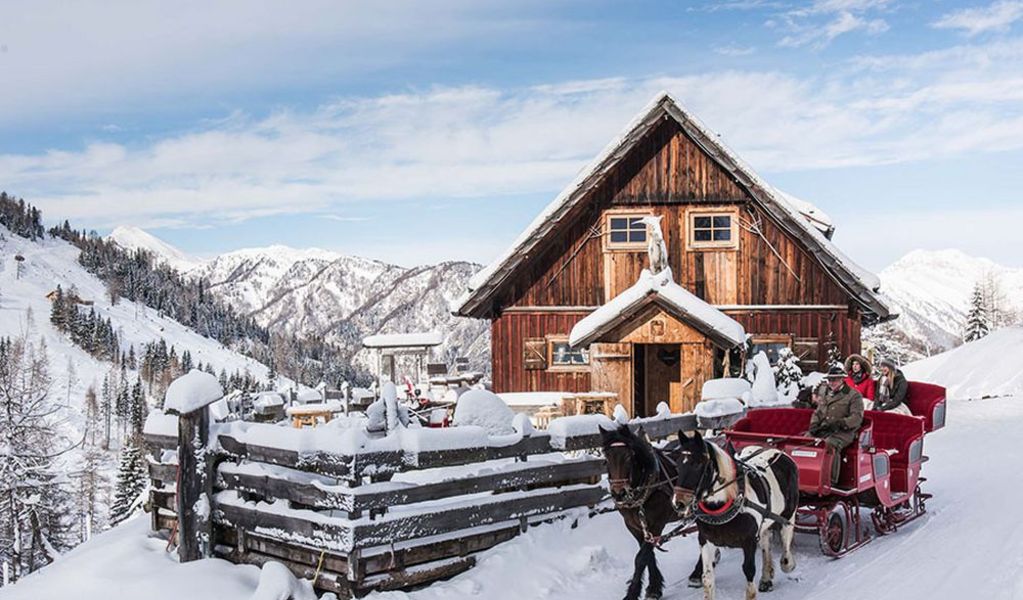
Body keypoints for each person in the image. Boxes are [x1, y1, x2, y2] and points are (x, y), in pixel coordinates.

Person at [808, 366, 864, 485]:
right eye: (830, 380)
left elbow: (857, 418)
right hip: (825, 429)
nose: (831, 383)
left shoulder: (854, 395)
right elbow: (817, 412)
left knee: (830, 444)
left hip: (844, 432)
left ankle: (830, 480)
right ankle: (805, 475)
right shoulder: (826, 395)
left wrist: (841, 424)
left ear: (842, 379)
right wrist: (814, 425)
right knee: (804, 440)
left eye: (835, 380)